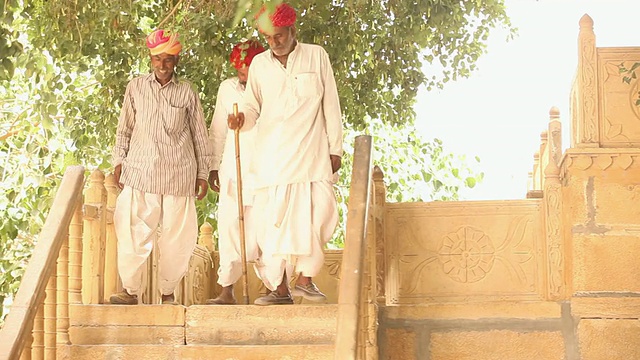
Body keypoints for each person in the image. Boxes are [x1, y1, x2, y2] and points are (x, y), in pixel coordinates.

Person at [228, 3, 343, 306]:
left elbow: (331, 104)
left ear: (293, 31)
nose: (275, 42)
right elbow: (252, 107)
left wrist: (336, 148)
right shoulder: (260, 66)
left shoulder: (316, 56)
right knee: (272, 223)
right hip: (273, 159)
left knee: (321, 214)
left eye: (279, 36)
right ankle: (280, 289)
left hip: (312, 154)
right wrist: (242, 121)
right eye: (269, 38)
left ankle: (306, 279)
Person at [109, 29, 213, 305]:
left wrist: (203, 172)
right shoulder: (136, 87)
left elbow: (199, 135)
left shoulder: (186, 91)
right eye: (158, 59)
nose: (163, 65)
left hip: (180, 174)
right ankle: (131, 291)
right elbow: (125, 129)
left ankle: (168, 292)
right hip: (141, 171)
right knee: (132, 232)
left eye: (168, 59)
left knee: (177, 239)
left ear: (176, 60)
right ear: (150, 59)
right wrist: (119, 160)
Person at [206, 40, 265, 305]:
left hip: (265, 168)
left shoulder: (271, 88)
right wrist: (213, 166)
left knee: (266, 227)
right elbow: (218, 130)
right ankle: (226, 289)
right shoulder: (227, 89)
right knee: (230, 224)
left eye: (248, 70)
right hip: (233, 166)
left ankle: (275, 287)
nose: (244, 77)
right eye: (240, 71)